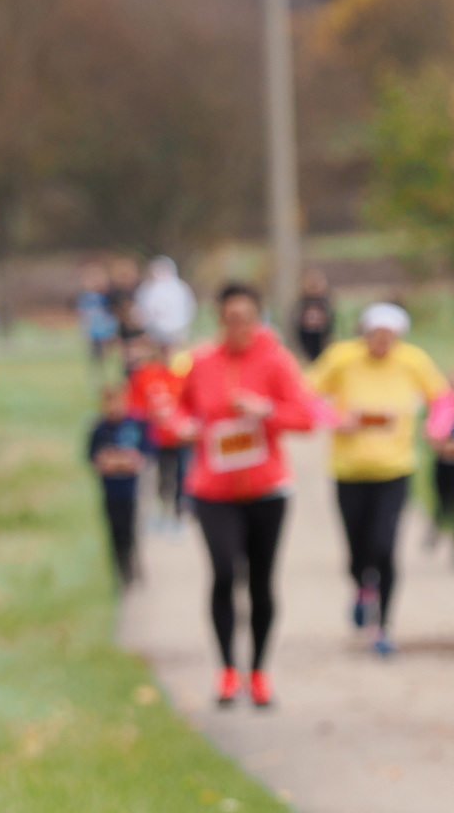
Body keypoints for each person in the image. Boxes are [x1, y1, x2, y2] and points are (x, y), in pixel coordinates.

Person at [181, 283, 319, 710]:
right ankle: (227, 670)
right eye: (230, 319)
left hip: (266, 489)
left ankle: (258, 671)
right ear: (220, 319)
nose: (238, 326)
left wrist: (266, 410)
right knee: (224, 573)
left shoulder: (277, 361)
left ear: (259, 319)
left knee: (261, 581)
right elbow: (180, 410)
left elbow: (307, 417)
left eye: (246, 318)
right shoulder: (201, 362)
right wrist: (184, 427)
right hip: (214, 488)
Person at [305, 302, 454, 657]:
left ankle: (383, 626)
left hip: (394, 469)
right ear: (365, 333)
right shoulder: (342, 358)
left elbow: (443, 399)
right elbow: (304, 394)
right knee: (357, 550)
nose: (382, 342)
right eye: (376, 335)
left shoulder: (412, 361)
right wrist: (335, 418)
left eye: (389, 336)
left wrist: (436, 428)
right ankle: (362, 588)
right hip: (349, 470)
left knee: (385, 547)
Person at [126, 335, 193, 531]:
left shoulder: (182, 376)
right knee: (155, 477)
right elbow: (134, 406)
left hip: (180, 438)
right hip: (153, 438)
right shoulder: (144, 374)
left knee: (181, 477)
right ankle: (157, 514)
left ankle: (178, 515)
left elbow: (191, 404)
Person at [87, 382, 150, 588]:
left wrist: (125, 461)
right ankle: (120, 574)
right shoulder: (99, 429)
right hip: (110, 491)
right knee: (115, 532)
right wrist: (111, 462)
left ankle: (135, 569)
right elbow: (94, 458)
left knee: (132, 530)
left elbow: (143, 455)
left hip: (131, 490)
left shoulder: (134, 425)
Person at [427, 375, 454, 560]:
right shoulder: (440, 409)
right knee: (441, 502)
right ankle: (436, 530)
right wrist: (443, 445)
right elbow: (431, 435)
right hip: (442, 464)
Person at [135, 257, 196, 351]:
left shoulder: (180, 288)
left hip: (176, 330)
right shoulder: (147, 288)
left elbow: (188, 307)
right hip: (154, 333)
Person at [293, 268, 335, 364]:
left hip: (322, 344)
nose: (314, 284)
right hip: (304, 343)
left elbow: (331, 326)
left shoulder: (326, 303)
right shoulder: (301, 304)